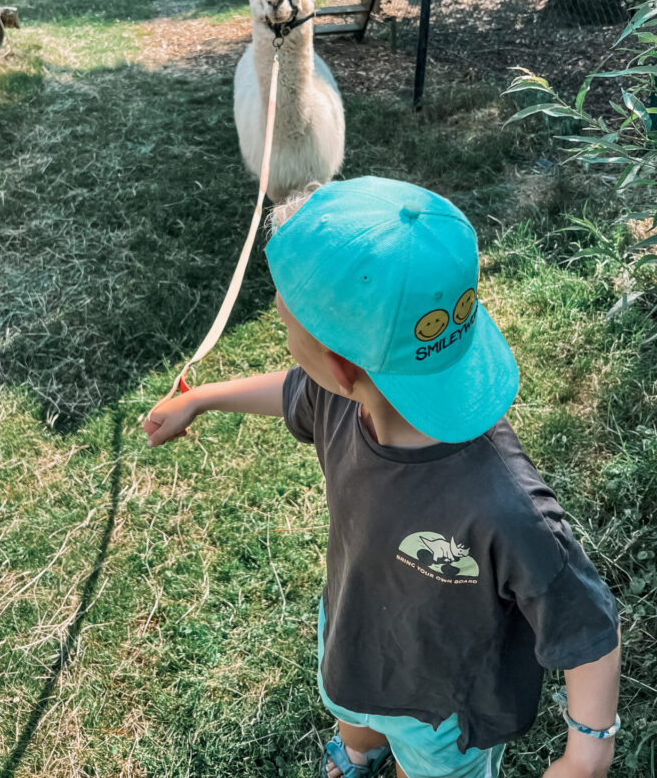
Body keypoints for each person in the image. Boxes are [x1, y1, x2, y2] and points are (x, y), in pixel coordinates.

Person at [144, 177, 621, 778]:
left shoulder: (504, 505)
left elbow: (588, 624)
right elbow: (294, 389)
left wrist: (588, 749)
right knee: (351, 703)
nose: (286, 342)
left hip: (440, 707)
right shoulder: (346, 398)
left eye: (285, 326)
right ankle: (360, 747)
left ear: (342, 366)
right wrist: (205, 397)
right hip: (354, 631)